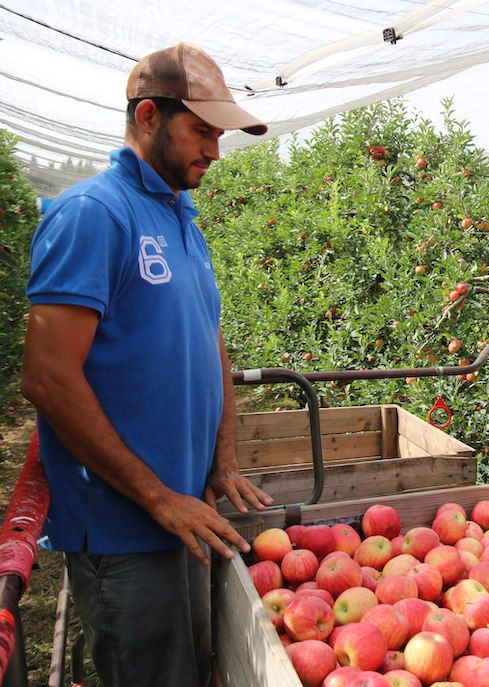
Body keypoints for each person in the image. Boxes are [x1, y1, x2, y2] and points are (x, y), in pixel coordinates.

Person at [21, 43, 272, 687]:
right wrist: (159, 497)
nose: (215, 150)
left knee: (191, 669)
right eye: (203, 131)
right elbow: (48, 376)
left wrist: (222, 460)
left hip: (185, 514)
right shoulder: (93, 215)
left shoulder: (181, 217)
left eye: (220, 135)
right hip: (124, 528)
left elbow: (207, 340)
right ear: (150, 117)